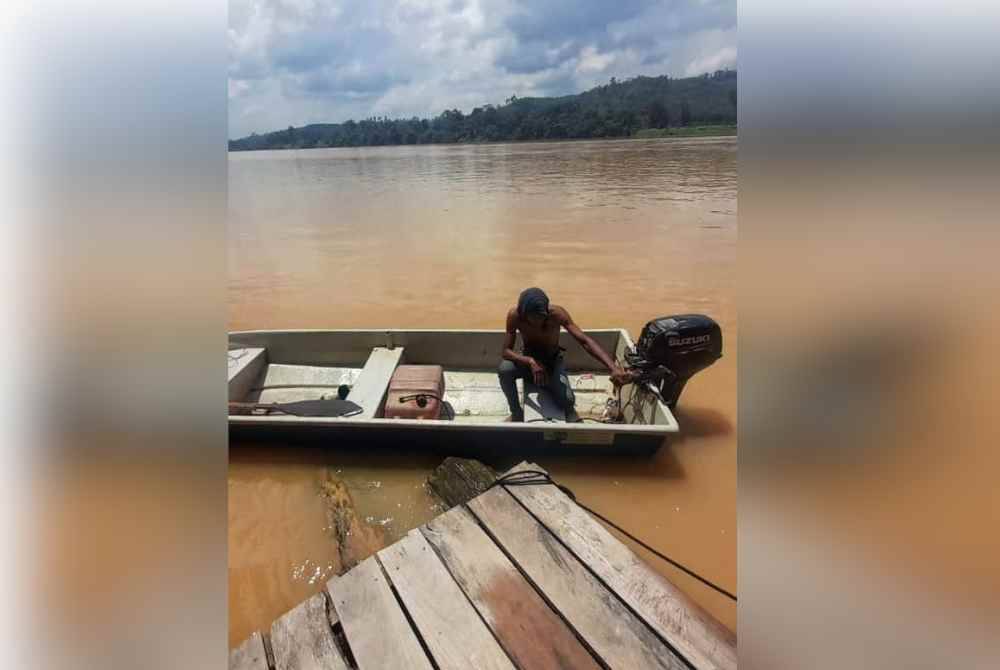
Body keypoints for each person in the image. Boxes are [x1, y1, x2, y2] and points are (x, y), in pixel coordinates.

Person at [498, 287, 631, 422]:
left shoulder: (557, 314)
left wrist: (613, 367)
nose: (538, 322)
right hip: (527, 360)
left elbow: (584, 341)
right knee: (504, 370)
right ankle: (516, 412)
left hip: (552, 362)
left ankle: (545, 380)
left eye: (541, 317)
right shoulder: (514, 316)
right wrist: (530, 362)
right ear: (523, 313)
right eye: (533, 318)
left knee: (567, 402)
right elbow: (505, 352)